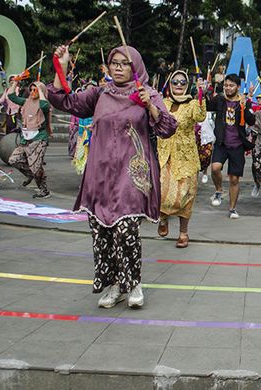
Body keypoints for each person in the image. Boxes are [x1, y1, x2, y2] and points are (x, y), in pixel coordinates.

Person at [47, 44, 178, 309]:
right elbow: (65, 101)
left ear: (135, 67)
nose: (117, 68)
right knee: (101, 232)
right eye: (114, 63)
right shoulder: (99, 94)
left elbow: (167, 128)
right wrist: (61, 67)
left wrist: (150, 106)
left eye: (124, 63)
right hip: (100, 173)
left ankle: (133, 283)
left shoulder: (147, 93)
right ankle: (114, 285)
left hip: (132, 174)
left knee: (125, 229)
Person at [158, 70, 206, 248]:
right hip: (164, 156)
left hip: (186, 158)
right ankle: (163, 217)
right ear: (170, 84)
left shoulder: (193, 103)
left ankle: (183, 232)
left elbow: (200, 116)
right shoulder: (163, 103)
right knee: (161, 193)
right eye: (175, 82)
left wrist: (202, 94)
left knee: (185, 196)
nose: (179, 85)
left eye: (182, 82)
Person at [206, 74, 256, 219]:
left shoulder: (243, 102)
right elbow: (208, 106)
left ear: (238, 87)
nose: (227, 88)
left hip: (238, 145)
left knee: (234, 179)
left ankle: (232, 208)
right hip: (221, 143)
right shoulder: (220, 99)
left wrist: (247, 105)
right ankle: (219, 190)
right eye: (226, 85)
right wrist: (205, 91)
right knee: (215, 168)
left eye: (231, 86)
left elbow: (251, 121)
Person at [7, 80, 52, 198]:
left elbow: (44, 105)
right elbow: (11, 96)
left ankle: (44, 190)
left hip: (39, 138)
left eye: (35, 90)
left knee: (36, 166)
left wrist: (40, 90)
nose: (32, 92)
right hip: (25, 138)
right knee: (13, 160)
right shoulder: (26, 102)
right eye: (31, 89)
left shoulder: (44, 104)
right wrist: (15, 83)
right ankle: (30, 174)